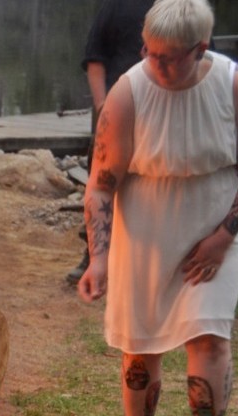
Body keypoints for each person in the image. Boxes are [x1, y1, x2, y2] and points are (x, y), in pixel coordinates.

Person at [78, 0, 238, 416]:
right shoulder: (128, 92)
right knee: (141, 344)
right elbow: (101, 185)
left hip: (215, 227)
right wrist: (99, 257)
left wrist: (222, 238)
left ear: (200, 49)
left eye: (169, 57)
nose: (156, 65)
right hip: (145, 228)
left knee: (209, 338)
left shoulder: (236, 87)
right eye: (149, 53)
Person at [67, 0, 155, 285]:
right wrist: (102, 105)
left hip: (161, 115)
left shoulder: (182, 6)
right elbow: (95, 57)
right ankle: (93, 254)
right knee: (102, 182)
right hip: (116, 111)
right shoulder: (117, 5)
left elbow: (205, 60)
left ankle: (143, 262)